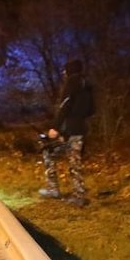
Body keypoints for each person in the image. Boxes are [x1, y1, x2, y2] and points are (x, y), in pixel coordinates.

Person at [40, 59, 95, 207]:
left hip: (68, 130)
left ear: (70, 70)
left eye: (65, 70)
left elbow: (65, 106)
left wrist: (55, 127)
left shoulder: (71, 83)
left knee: (48, 153)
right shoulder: (87, 85)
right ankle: (79, 195)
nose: (63, 73)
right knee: (74, 161)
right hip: (80, 129)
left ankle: (54, 189)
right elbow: (91, 110)